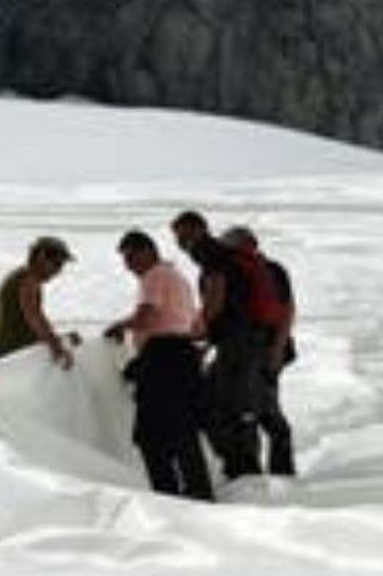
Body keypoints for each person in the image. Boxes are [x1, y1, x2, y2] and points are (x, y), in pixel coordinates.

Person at [104, 230, 213, 500]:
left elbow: (147, 316)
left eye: (131, 257)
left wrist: (121, 325)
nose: (129, 266)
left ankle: (167, 495)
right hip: (183, 355)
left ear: (147, 251)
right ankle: (197, 490)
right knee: (182, 429)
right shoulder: (176, 277)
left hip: (164, 357)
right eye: (125, 260)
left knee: (150, 435)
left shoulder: (154, 276)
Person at [171, 210, 266, 478]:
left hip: (238, 343)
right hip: (239, 341)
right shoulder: (218, 255)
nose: (182, 242)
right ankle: (242, 466)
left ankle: (241, 468)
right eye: (178, 237)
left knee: (215, 403)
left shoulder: (210, 252)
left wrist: (200, 326)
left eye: (185, 234)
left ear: (201, 229)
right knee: (231, 403)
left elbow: (217, 291)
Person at [221, 225, 297, 476]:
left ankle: (257, 474)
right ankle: (275, 469)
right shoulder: (271, 270)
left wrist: (275, 349)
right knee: (257, 407)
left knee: (255, 409)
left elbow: (286, 312)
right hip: (266, 349)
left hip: (258, 350)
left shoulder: (259, 272)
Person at [0, 236, 76, 368]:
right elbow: (34, 316)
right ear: (41, 258)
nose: (58, 272)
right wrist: (57, 347)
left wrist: (61, 340)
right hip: (10, 359)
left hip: (10, 356)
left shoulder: (21, 277)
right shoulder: (28, 280)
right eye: (57, 264)